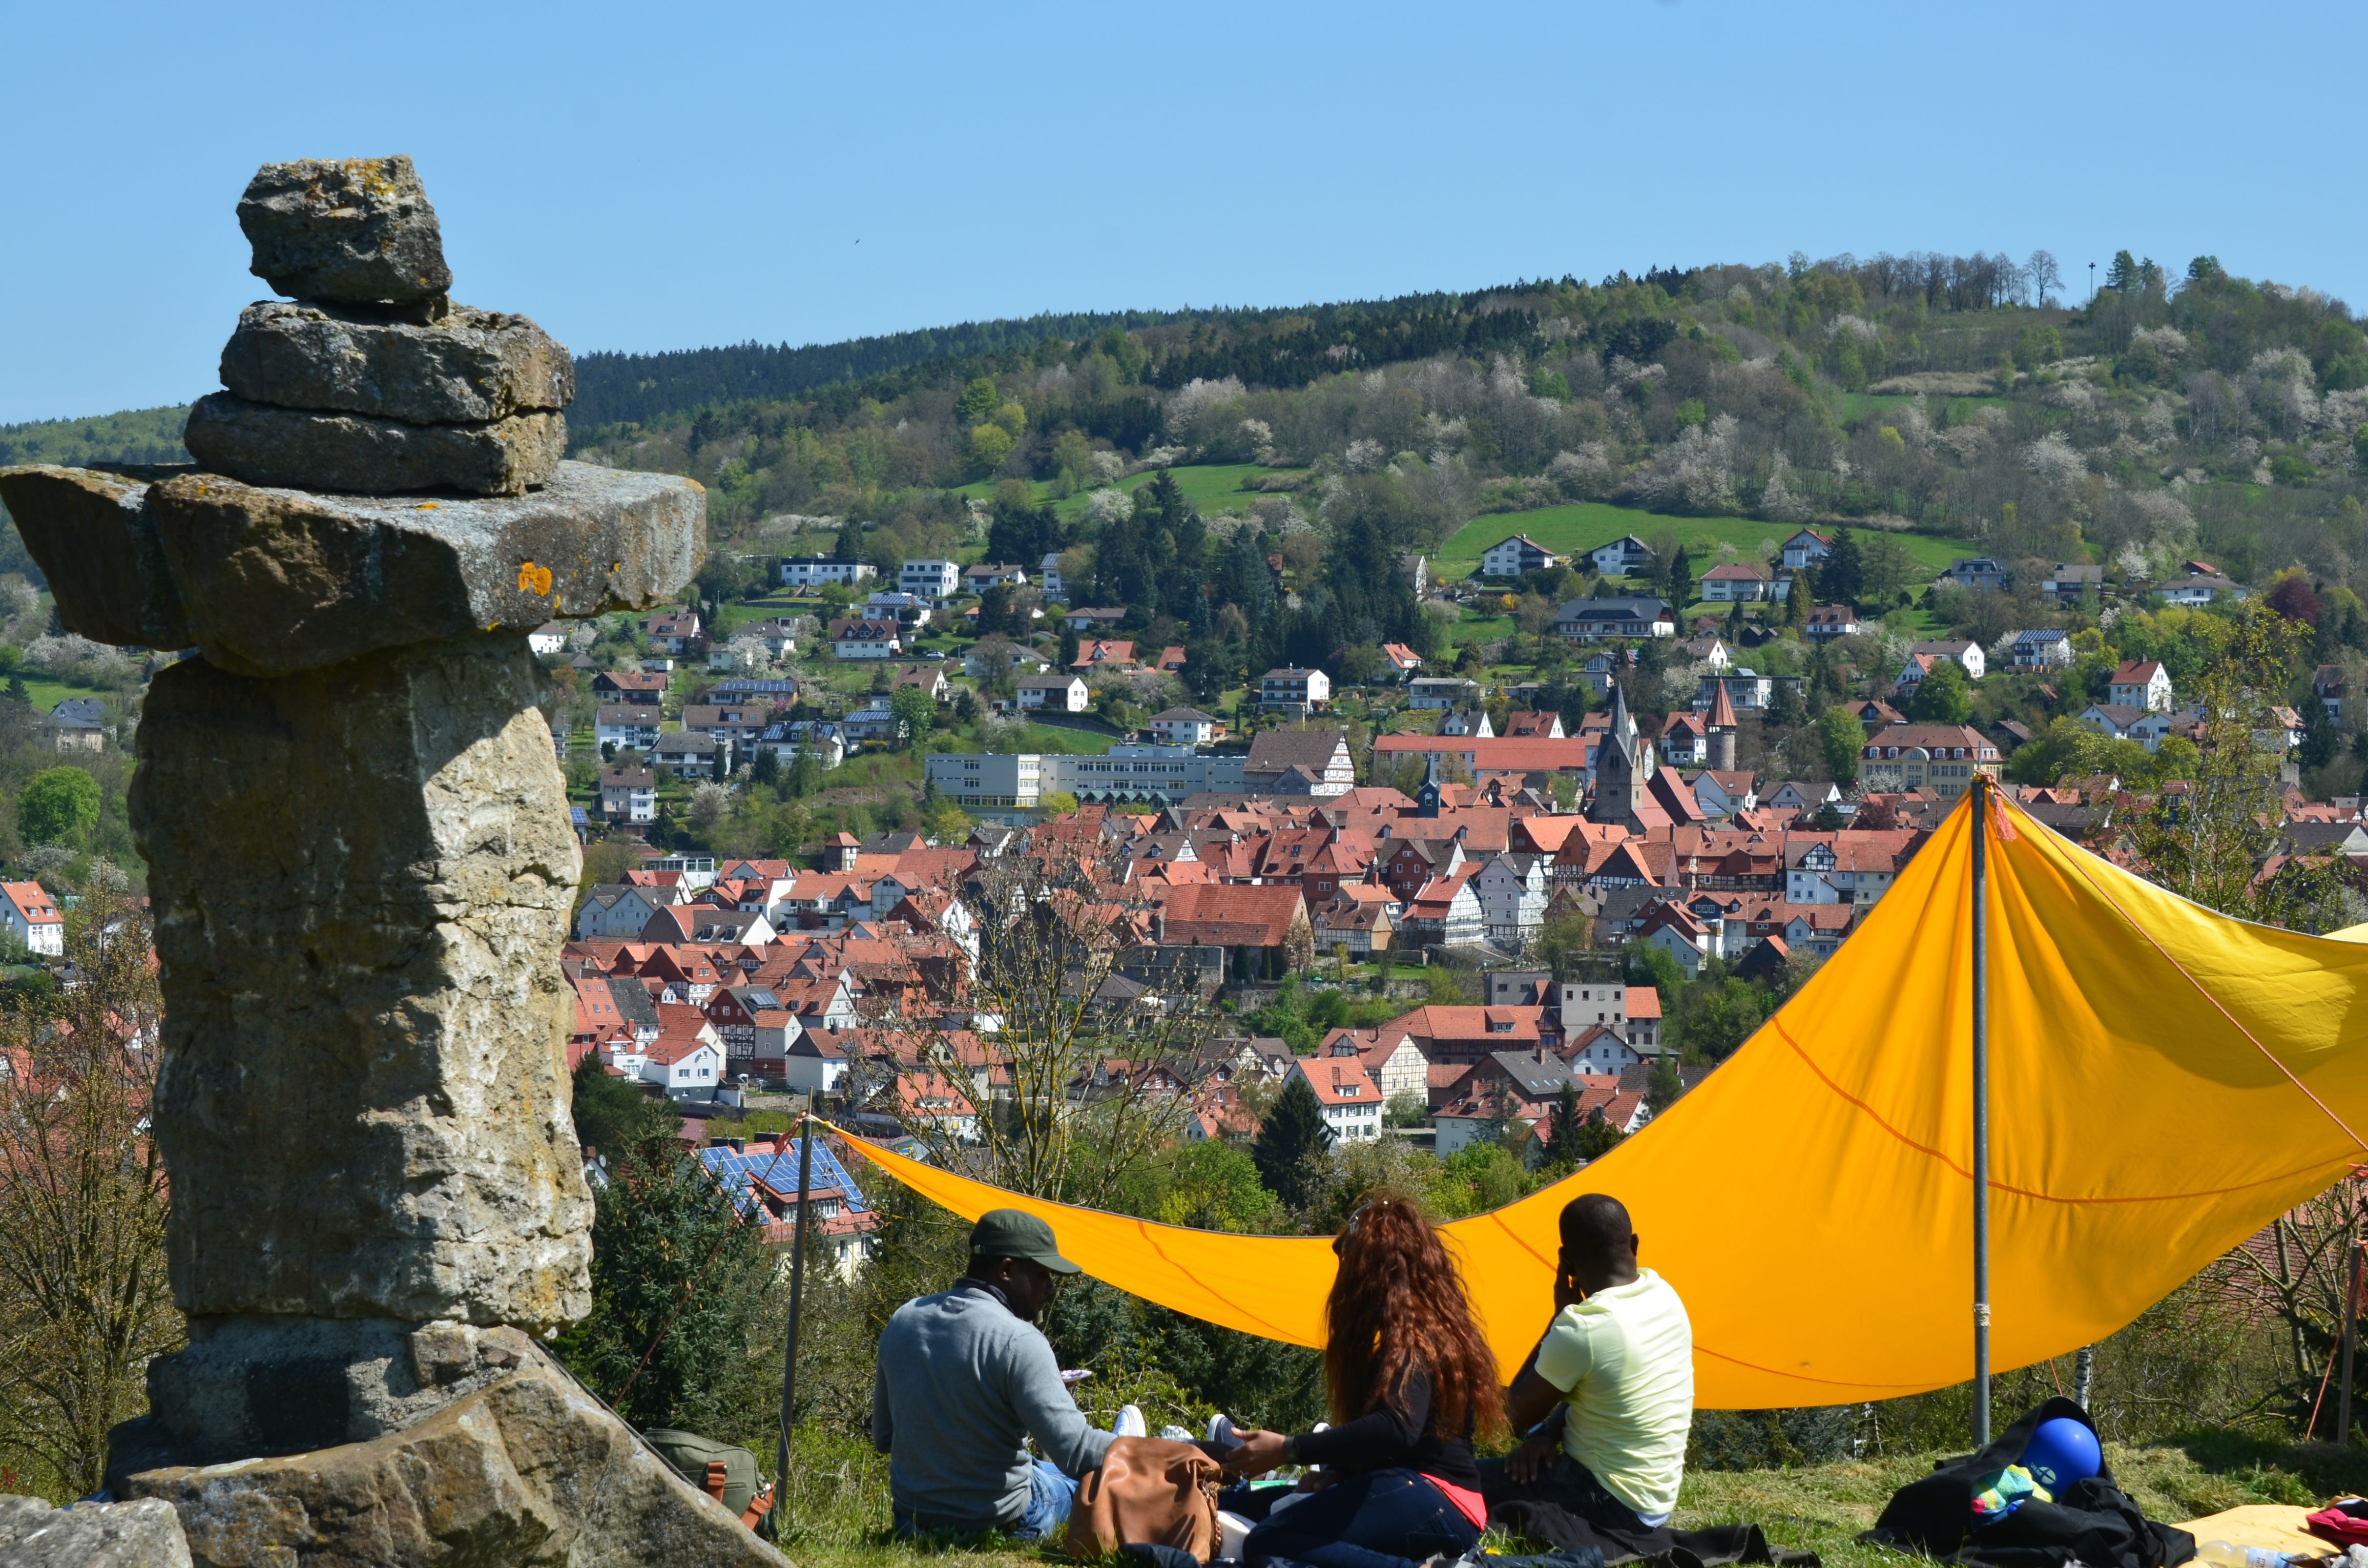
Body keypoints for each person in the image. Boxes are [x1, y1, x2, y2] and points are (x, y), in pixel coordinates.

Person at [1226, 1195, 1504, 1568]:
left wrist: (1289, 1449)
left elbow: (1397, 1428)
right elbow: (1403, 1443)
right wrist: (1340, 1475)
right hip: (1420, 1492)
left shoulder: (1417, 1338)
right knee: (1246, 1505)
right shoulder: (1415, 1333)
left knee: (1270, 1539)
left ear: (1375, 1273)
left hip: (1441, 1499)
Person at [872, 1209, 1112, 1539]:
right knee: (1086, 1483)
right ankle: (1133, 1441)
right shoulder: (1020, 1340)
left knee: (1041, 1468)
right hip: (1002, 1521)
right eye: (1043, 1274)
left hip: (914, 1522)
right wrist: (1160, 1453)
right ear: (1007, 1270)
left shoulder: (902, 1320)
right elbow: (1079, 1453)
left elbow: (884, 1438)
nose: (1051, 1289)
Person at [1487, 1192, 1693, 1533]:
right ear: (1635, 1244)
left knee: (1454, 1483)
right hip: (1653, 1504)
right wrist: (1547, 1435)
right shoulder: (1665, 1296)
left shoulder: (1582, 1327)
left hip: (1609, 1503)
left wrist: (1557, 1318)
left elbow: (1512, 1415)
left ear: (1565, 1260)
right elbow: (1609, 1391)